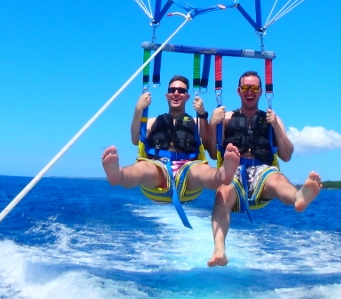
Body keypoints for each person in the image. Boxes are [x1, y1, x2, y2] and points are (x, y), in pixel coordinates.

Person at [205, 71, 322, 267]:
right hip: (234, 171)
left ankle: (299, 198)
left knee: (278, 180)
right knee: (222, 193)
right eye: (245, 88)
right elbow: (210, 151)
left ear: (260, 92)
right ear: (238, 91)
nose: (249, 92)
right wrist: (211, 123)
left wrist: (275, 125)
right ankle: (219, 249)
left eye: (254, 88)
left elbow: (286, 154)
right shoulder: (226, 118)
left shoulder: (271, 119)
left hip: (263, 170)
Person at [101, 75, 240, 205]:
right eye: (172, 90)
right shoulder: (152, 121)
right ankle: (118, 174)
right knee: (141, 169)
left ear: (187, 96)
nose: (176, 93)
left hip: (188, 168)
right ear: (167, 95)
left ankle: (223, 174)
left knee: (202, 171)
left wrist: (203, 115)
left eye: (181, 91)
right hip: (157, 166)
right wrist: (138, 109)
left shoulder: (196, 122)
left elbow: (208, 144)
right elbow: (135, 139)